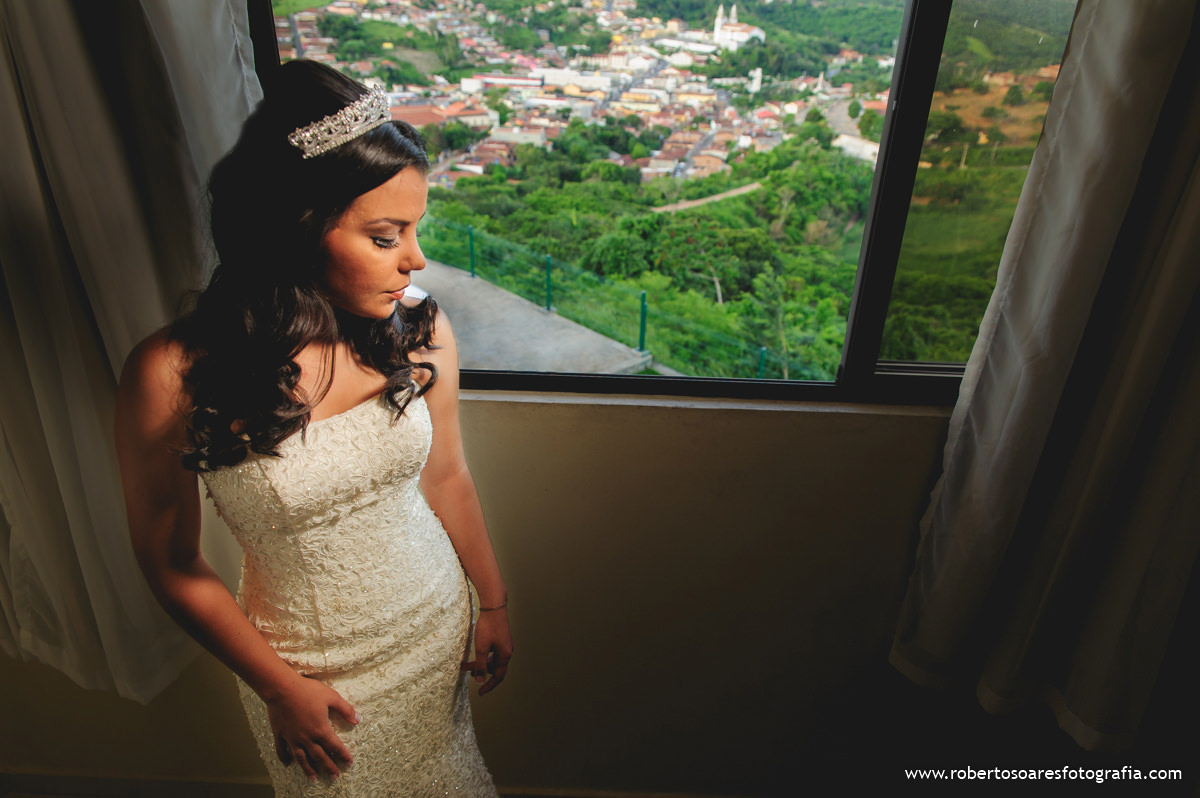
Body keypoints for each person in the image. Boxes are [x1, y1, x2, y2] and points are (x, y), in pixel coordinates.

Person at [115, 59, 511, 796]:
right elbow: (170, 563)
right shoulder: (170, 372)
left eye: (416, 230)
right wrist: (278, 689)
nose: (416, 260)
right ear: (296, 230)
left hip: (435, 625)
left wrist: (491, 602)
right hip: (309, 669)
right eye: (387, 235)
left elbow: (448, 475)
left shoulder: (419, 326)